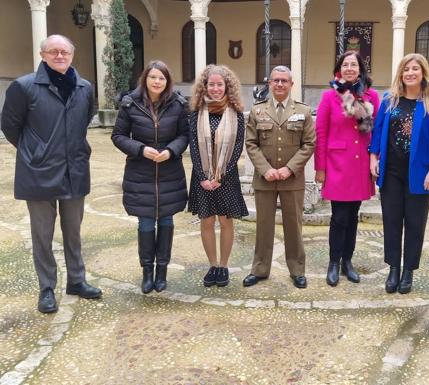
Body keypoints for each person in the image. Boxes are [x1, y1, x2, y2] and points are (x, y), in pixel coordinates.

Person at [1, 35, 101, 313]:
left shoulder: (84, 87)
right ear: (42, 54)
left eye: (65, 52)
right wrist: (35, 152)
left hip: (75, 170)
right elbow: (10, 125)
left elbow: (84, 119)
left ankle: (77, 281)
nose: (60, 56)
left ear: (72, 55)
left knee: (74, 232)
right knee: (42, 235)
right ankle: (46, 288)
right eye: (54, 51)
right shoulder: (24, 86)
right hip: (39, 172)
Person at [111, 60, 189, 294]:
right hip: (140, 172)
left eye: (162, 78)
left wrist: (171, 150)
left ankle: (162, 272)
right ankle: (147, 272)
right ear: (145, 78)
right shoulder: (130, 104)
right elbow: (118, 136)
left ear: (167, 81)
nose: (157, 82)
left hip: (169, 172)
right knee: (145, 222)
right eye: (153, 77)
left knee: (166, 221)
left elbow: (185, 135)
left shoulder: (178, 104)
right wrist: (140, 149)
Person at [369, 53, 429, 294]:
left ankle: (408, 270)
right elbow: (378, 131)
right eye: (406, 69)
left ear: (423, 73)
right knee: (391, 222)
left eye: (415, 69)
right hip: (391, 173)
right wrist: (373, 157)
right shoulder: (389, 100)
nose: (410, 73)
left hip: (420, 174)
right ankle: (393, 268)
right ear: (401, 74)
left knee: (415, 223)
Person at [244, 65, 315, 289]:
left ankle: (297, 270)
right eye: (276, 80)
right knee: (264, 226)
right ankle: (260, 269)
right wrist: (266, 169)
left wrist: (288, 169)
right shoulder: (257, 111)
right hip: (265, 179)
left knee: (294, 226)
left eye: (284, 81)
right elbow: (251, 143)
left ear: (291, 84)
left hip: (292, 180)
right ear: (270, 84)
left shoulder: (303, 111)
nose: (280, 84)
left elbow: (309, 144)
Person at [315, 51, 380, 287]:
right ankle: (333, 262)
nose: (350, 68)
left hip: (360, 163)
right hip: (337, 164)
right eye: (345, 65)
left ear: (361, 69)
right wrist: (320, 167)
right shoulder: (329, 96)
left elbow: (373, 131)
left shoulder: (371, 96)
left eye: (354, 64)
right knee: (339, 217)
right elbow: (320, 133)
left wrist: (375, 159)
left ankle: (347, 262)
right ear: (339, 69)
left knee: (354, 216)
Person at [188, 64, 248, 288]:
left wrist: (220, 177)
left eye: (219, 84)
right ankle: (212, 265)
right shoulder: (196, 114)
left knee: (225, 221)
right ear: (205, 86)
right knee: (206, 221)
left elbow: (238, 147)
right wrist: (204, 177)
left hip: (227, 177)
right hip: (201, 177)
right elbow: (193, 146)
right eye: (211, 84)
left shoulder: (236, 114)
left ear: (227, 86)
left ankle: (223, 266)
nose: (215, 88)